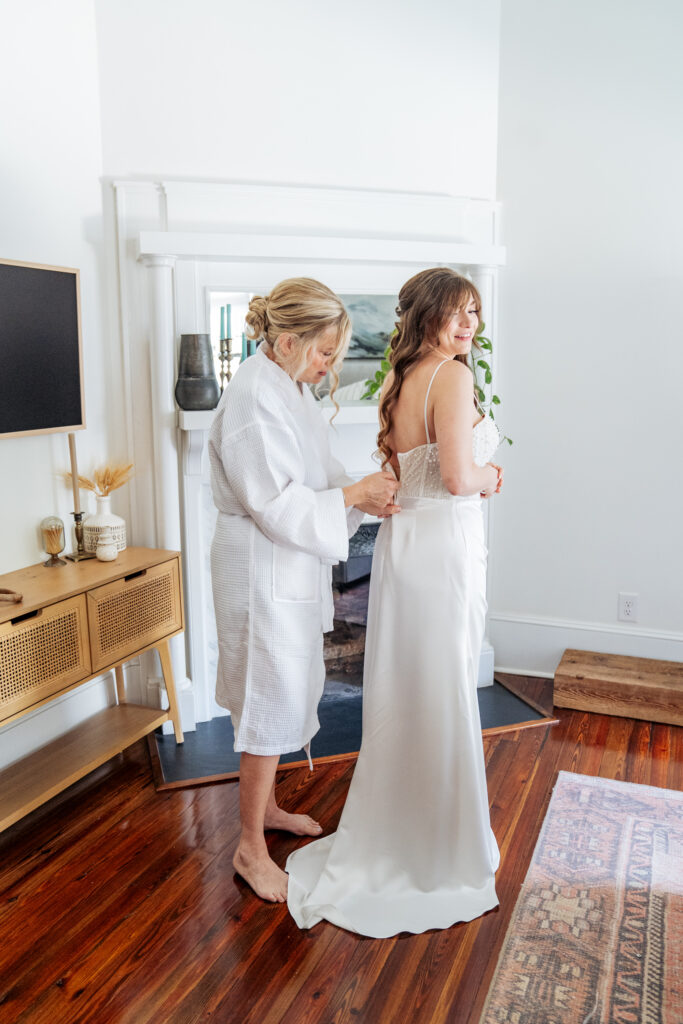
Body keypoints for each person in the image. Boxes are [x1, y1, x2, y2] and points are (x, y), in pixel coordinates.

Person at [286, 267, 504, 936]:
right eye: (455, 313)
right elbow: (461, 476)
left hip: (405, 541)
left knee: (408, 689)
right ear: (428, 316)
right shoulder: (453, 376)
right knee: (438, 687)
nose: (467, 325)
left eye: (474, 313)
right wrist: (493, 474)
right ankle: (441, 847)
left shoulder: (401, 376)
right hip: (441, 546)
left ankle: (398, 832)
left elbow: (399, 470)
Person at [208, 277, 400, 905]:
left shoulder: (288, 388)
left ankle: (263, 812)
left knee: (288, 688)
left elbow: (321, 477)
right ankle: (248, 848)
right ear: (286, 340)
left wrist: (372, 496)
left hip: (284, 562)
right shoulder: (253, 399)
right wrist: (354, 496)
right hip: (261, 565)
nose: (328, 368)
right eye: (324, 354)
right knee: (269, 695)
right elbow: (276, 503)